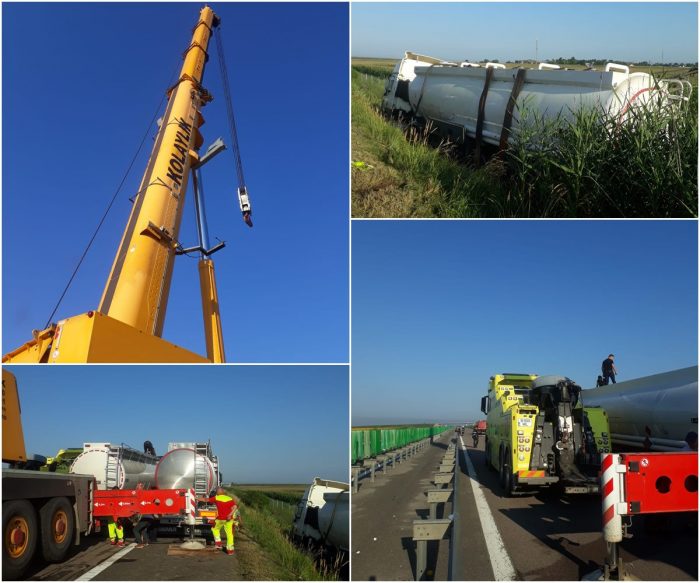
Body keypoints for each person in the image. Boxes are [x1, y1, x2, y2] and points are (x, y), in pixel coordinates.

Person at [198, 487, 240, 555]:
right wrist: (230, 515)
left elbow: (206, 500)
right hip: (229, 519)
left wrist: (196, 498)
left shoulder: (216, 498)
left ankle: (218, 544)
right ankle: (230, 551)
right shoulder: (229, 498)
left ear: (217, 492)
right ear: (223, 492)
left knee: (214, 529)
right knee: (229, 534)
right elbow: (235, 507)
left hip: (220, 519)